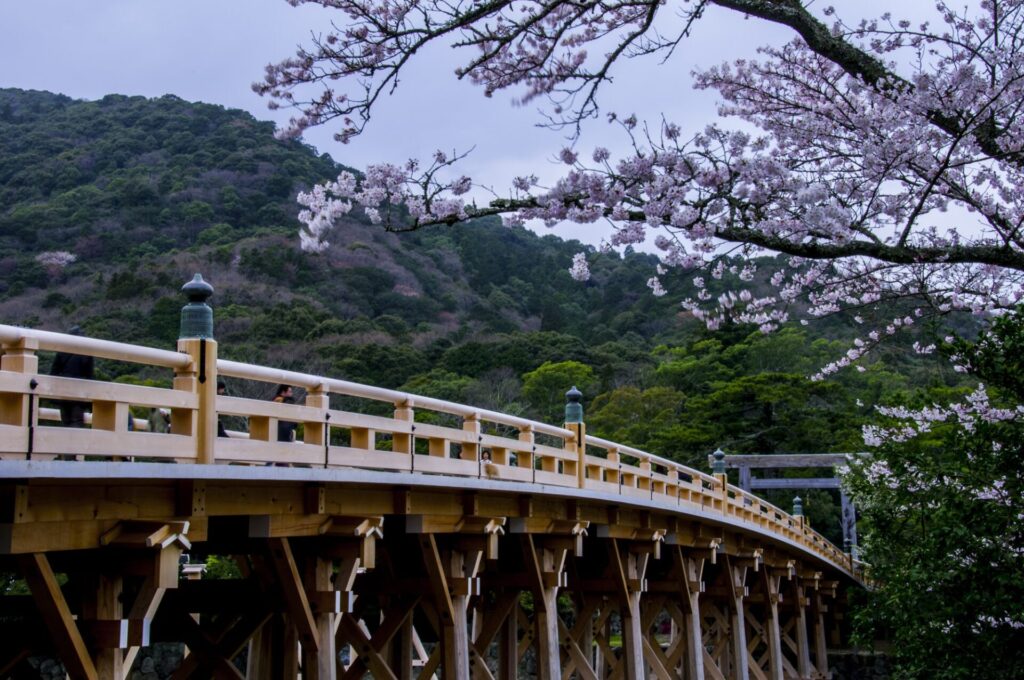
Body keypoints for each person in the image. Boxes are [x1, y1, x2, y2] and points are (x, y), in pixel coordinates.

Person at [49, 325, 93, 428]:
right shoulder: (86, 353)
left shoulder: (61, 352)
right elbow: (90, 377)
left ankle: (66, 443)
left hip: (63, 393)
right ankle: (75, 443)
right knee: (77, 422)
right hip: (79, 394)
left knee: (66, 422)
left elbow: (53, 373)